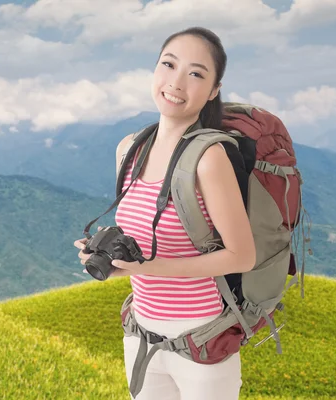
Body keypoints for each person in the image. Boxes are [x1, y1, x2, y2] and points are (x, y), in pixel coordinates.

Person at [74, 27, 256, 400]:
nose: (176, 81)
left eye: (195, 73)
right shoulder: (129, 148)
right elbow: (140, 231)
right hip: (141, 336)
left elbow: (242, 256)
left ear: (213, 90)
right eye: (168, 64)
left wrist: (147, 267)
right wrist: (106, 253)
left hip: (200, 342)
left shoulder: (209, 158)